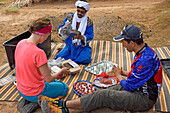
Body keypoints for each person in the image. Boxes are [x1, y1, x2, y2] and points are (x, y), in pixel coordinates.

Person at [38, 25, 163, 113]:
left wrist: (118, 75)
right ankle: (65, 111)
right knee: (101, 94)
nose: (122, 45)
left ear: (132, 43)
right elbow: (140, 76)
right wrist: (122, 73)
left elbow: (130, 86)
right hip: (138, 87)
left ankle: (61, 105)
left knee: (106, 96)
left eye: (123, 42)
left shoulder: (145, 60)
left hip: (144, 98)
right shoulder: (144, 51)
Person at [15, 18, 70, 105]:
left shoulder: (20, 43)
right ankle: (44, 102)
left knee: (55, 82)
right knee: (64, 87)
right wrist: (61, 71)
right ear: (43, 35)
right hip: (35, 93)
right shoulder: (38, 53)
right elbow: (48, 79)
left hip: (21, 89)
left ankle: (31, 101)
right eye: (48, 35)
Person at [55, 0, 94, 65]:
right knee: (59, 58)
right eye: (78, 11)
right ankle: (65, 49)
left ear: (86, 12)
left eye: (82, 12)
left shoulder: (89, 22)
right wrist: (63, 29)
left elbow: (90, 35)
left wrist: (82, 37)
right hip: (70, 45)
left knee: (86, 59)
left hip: (82, 46)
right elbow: (61, 29)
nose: (79, 13)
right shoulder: (70, 18)